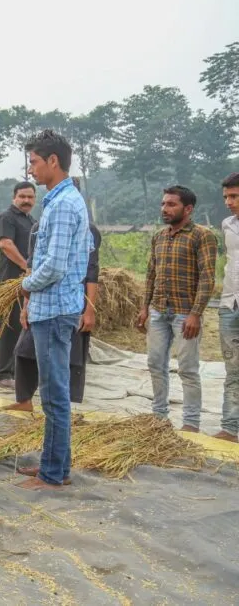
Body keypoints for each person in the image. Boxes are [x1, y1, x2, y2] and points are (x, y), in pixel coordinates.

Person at [15, 130, 91, 491]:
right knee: (53, 393)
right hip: (54, 308)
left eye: (34, 162)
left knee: (54, 394)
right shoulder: (63, 200)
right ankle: (54, 464)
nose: (31, 169)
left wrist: (24, 285)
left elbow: (55, 267)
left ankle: (53, 474)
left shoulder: (62, 206)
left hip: (55, 310)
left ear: (53, 162)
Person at [4, 178, 101, 416]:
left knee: (68, 359)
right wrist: (26, 305)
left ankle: (62, 409)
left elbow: (89, 271)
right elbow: (33, 266)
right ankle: (25, 399)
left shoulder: (87, 229)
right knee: (25, 351)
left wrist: (89, 310)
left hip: (66, 303)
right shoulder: (39, 227)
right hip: (40, 300)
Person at [136, 185, 216, 433]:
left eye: (171, 204)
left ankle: (191, 423)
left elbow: (207, 278)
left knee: (188, 368)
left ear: (188, 208)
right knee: (155, 363)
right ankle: (159, 418)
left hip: (185, 313)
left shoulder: (202, 236)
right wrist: (144, 308)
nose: (165, 209)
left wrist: (195, 314)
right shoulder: (159, 236)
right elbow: (151, 274)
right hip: (159, 311)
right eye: (163, 204)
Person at [0, 181, 36, 389]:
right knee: (10, 326)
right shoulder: (7, 218)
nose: (26, 201)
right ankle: (2, 374)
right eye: (23, 197)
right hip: (10, 282)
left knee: (23, 326)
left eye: (30, 197)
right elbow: (6, 245)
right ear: (14, 197)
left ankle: (17, 371)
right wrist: (27, 266)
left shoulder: (31, 220)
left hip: (27, 283)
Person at [215, 172, 239, 443]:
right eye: (226, 197)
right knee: (233, 369)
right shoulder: (227, 225)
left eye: (234, 196)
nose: (229, 202)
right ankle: (230, 428)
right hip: (230, 304)